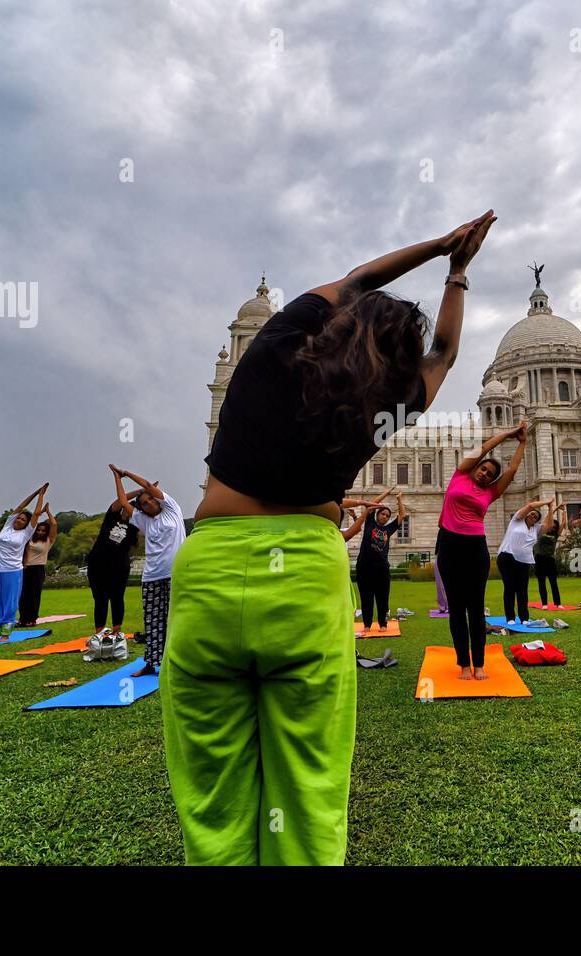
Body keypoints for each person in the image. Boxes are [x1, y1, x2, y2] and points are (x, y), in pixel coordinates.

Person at [163, 209, 495, 866]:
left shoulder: (271, 347)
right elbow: (446, 353)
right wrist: (458, 277)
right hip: (306, 583)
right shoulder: (387, 403)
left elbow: (359, 276)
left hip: (211, 571)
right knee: (309, 797)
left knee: (213, 806)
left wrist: (437, 249)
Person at [438, 421, 528, 679]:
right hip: (449, 545)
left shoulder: (489, 493)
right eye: (483, 468)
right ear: (476, 466)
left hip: (475, 547)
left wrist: (522, 443)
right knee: (456, 607)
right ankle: (463, 664)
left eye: (490, 474)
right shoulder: (460, 476)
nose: (485, 474)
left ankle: (479, 664)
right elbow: (485, 447)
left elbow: (511, 470)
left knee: (475, 607)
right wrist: (508, 433)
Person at [109, 466, 185, 678]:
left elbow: (148, 486)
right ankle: (151, 663)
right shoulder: (143, 520)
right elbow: (123, 503)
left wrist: (126, 472)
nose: (150, 503)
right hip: (152, 577)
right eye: (144, 503)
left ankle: (177, 662)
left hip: (174, 575)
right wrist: (118, 479)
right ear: (141, 509)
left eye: (151, 499)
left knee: (175, 620)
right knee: (153, 622)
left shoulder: (172, 509)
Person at [0, 484, 48, 635]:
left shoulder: (26, 533)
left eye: (22, 520)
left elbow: (35, 515)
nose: (18, 520)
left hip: (12, 570)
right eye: (18, 518)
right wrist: (35, 492)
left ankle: (8, 621)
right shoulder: (7, 527)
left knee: (10, 598)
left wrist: (41, 496)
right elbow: (21, 506)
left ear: (27, 525)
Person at [87, 489, 140, 640]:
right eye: (129, 508)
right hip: (98, 564)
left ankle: (116, 631)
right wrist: (141, 490)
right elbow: (119, 501)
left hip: (119, 567)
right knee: (100, 599)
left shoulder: (133, 528)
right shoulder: (112, 518)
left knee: (117, 598)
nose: (131, 512)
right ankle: (99, 633)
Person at [496, 498, 551, 625]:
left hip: (524, 561)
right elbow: (531, 505)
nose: (533, 515)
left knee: (522, 590)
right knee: (510, 588)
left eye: (536, 516)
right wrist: (546, 502)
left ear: (536, 521)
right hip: (507, 557)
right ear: (527, 514)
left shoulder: (535, 530)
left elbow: (549, 526)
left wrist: (551, 508)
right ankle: (510, 618)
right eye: (532, 513)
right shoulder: (517, 520)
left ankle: (524, 618)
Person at [356, 490, 404, 633]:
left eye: (387, 516)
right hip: (364, 566)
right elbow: (373, 504)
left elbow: (402, 516)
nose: (385, 517)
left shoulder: (388, 529)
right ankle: (367, 624)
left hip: (381, 568)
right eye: (383, 514)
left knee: (382, 597)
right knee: (366, 597)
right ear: (377, 514)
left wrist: (399, 499)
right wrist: (386, 492)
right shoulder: (370, 523)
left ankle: (383, 623)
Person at [16, 507, 57, 627]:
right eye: (38, 530)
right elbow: (31, 523)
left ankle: (32, 619)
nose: (40, 532)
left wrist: (48, 512)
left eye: (43, 531)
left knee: (34, 595)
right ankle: (22, 618)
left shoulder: (49, 540)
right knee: (23, 595)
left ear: (46, 532)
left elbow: (54, 524)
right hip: (25, 569)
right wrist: (38, 514)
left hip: (37, 570)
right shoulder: (29, 539)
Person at [532, 500, 567, 610]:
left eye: (553, 525)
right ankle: (544, 604)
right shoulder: (542, 532)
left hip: (550, 560)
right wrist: (555, 508)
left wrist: (564, 511)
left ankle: (558, 603)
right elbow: (548, 517)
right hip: (540, 559)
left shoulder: (555, 535)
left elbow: (564, 524)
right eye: (551, 525)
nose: (552, 526)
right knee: (541, 582)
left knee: (553, 582)